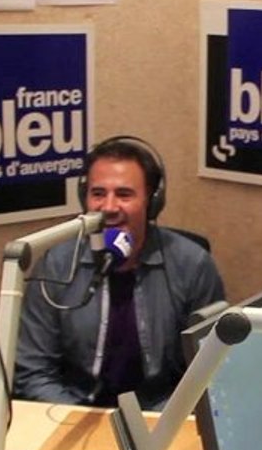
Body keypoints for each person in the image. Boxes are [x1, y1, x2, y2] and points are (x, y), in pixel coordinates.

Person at [14, 136, 225, 410]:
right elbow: (32, 371)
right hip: (75, 415)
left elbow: (210, 370)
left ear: (152, 202)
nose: (109, 208)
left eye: (124, 195)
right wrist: (74, 418)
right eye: (98, 194)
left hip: (160, 416)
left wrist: (160, 425)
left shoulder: (192, 264)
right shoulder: (57, 263)